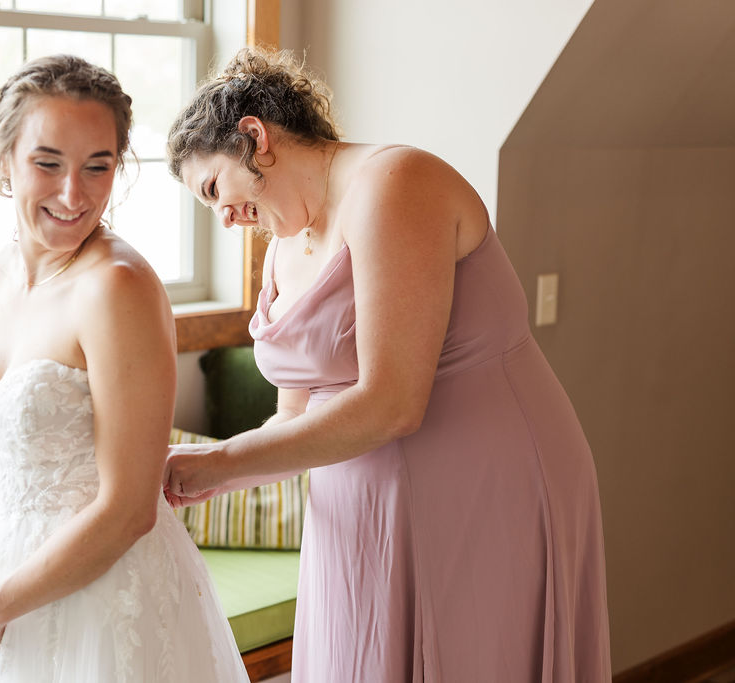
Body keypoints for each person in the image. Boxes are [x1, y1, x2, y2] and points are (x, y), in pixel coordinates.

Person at [163, 47, 611, 682]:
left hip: (484, 481)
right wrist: (206, 479)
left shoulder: (397, 183)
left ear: (254, 137)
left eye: (215, 189)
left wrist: (222, 461)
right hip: (354, 509)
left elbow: (392, 400)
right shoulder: (283, 253)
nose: (226, 218)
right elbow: (291, 415)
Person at [0, 55, 249, 682]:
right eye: (47, 163)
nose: (73, 194)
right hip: (4, 586)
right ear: (4, 162)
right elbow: (3, 448)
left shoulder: (117, 288)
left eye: (97, 166)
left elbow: (130, 509)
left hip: (102, 597)